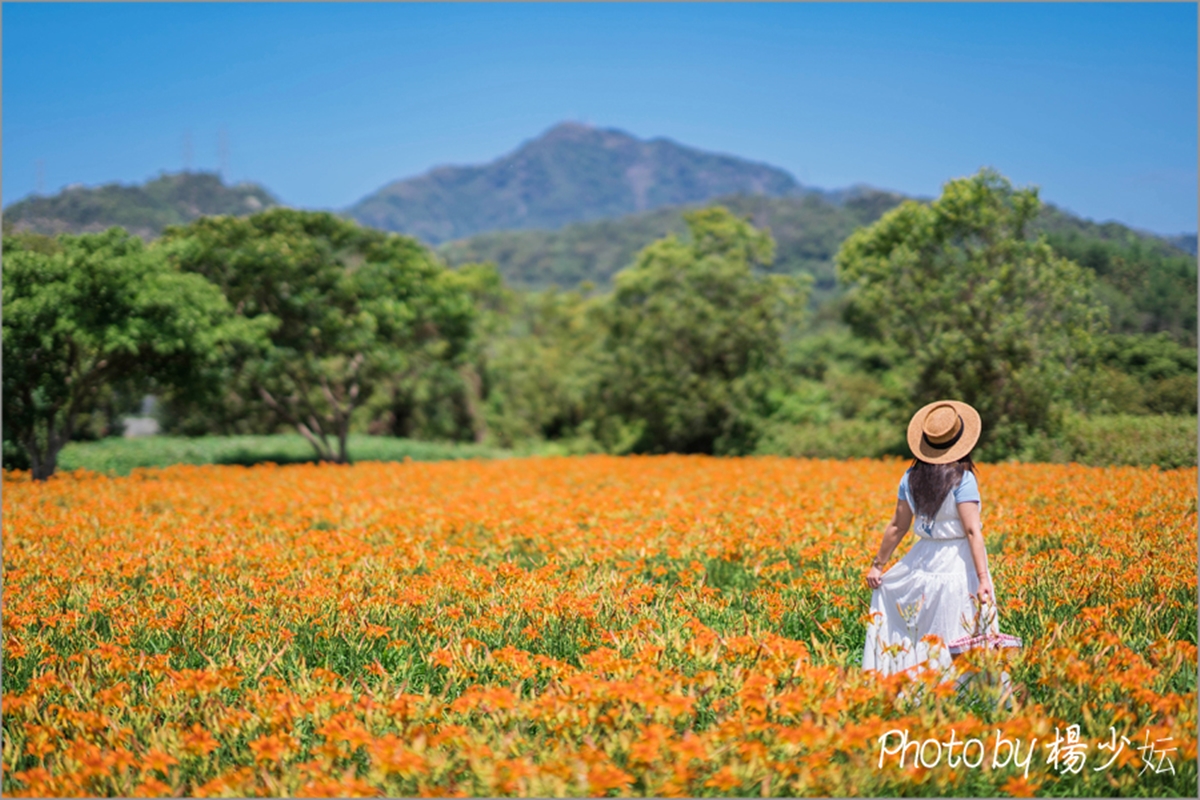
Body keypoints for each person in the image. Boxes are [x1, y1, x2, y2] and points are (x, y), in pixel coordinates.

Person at [861, 400, 1021, 696]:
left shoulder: (910, 478)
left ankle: (914, 692)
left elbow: (897, 526)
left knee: (922, 633)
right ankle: (962, 695)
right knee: (959, 631)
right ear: (960, 442)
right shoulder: (964, 479)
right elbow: (973, 531)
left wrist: (878, 565)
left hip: (920, 560)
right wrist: (984, 578)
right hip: (958, 563)